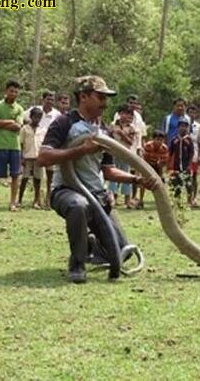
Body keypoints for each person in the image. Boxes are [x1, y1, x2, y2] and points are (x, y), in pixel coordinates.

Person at [36, 75, 158, 283]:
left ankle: (92, 246)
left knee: (122, 251)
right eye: (100, 97)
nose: (105, 103)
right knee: (78, 206)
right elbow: (43, 158)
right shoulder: (65, 123)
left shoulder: (103, 131)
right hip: (67, 191)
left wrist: (136, 179)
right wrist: (81, 150)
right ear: (84, 97)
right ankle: (77, 265)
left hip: (98, 196)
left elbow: (109, 170)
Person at [0, 80, 25, 211]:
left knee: (15, 175)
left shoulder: (19, 108)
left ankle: (12, 203)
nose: (13, 94)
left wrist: (4, 123)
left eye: (16, 92)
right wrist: (9, 121)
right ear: (6, 91)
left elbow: (18, 126)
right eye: (11, 91)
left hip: (15, 146)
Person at [25, 91, 62, 208]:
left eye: (52, 100)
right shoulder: (35, 110)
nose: (50, 102)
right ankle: (37, 199)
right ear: (43, 100)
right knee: (38, 175)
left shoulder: (57, 114)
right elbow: (24, 119)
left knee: (50, 174)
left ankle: (48, 199)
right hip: (36, 145)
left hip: (51, 146)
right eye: (48, 99)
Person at [109, 104, 137, 208]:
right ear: (120, 114)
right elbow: (109, 138)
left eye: (129, 114)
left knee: (126, 175)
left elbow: (130, 142)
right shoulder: (113, 125)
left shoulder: (131, 128)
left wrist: (122, 134)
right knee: (113, 175)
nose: (127, 116)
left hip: (125, 153)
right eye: (125, 113)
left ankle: (127, 200)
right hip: (114, 153)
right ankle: (113, 199)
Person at [18, 107, 46, 209]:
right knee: (25, 179)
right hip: (27, 157)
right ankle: (19, 200)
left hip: (38, 158)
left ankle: (36, 201)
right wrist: (21, 157)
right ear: (31, 117)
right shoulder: (25, 129)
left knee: (37, 180)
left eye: (39, 117)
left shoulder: (42, 130)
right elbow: (20, 143)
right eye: (35, 117)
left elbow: (43, 145)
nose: (37, 119)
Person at [140, 130, 169, 208]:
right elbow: (143, 158)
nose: (159, 142)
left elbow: (164, 162)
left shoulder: (164, 148)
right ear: (153, 139)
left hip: (158, 165)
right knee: (144, 181)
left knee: (160, 182)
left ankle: (162, 201)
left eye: (161, 140)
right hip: (147, 164)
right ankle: (140, 200)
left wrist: (160, 172)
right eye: (157, 139)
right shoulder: (148, 146)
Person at [169, 117, 194, 203]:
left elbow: (191, 153)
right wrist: (169, 166)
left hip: (185, 165)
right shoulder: (174, 139)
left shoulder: (189, 139)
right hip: (176, 165)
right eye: (181, 126)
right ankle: (177, 201)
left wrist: (189, 165)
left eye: (185, 126)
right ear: (178, 127)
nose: (183, 128)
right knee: (176, 184)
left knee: (188, 184)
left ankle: (189, 201)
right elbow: (170, 153)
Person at [187, 104, 200, 207]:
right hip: (184, 155)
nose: (192, 114)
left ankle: (194, 198)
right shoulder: (182, 124)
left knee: (193, 176)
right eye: (190, 112)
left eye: (194, 112)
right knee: (184, 177)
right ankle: (185, 198)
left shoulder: (199, 127)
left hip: (194, 154)